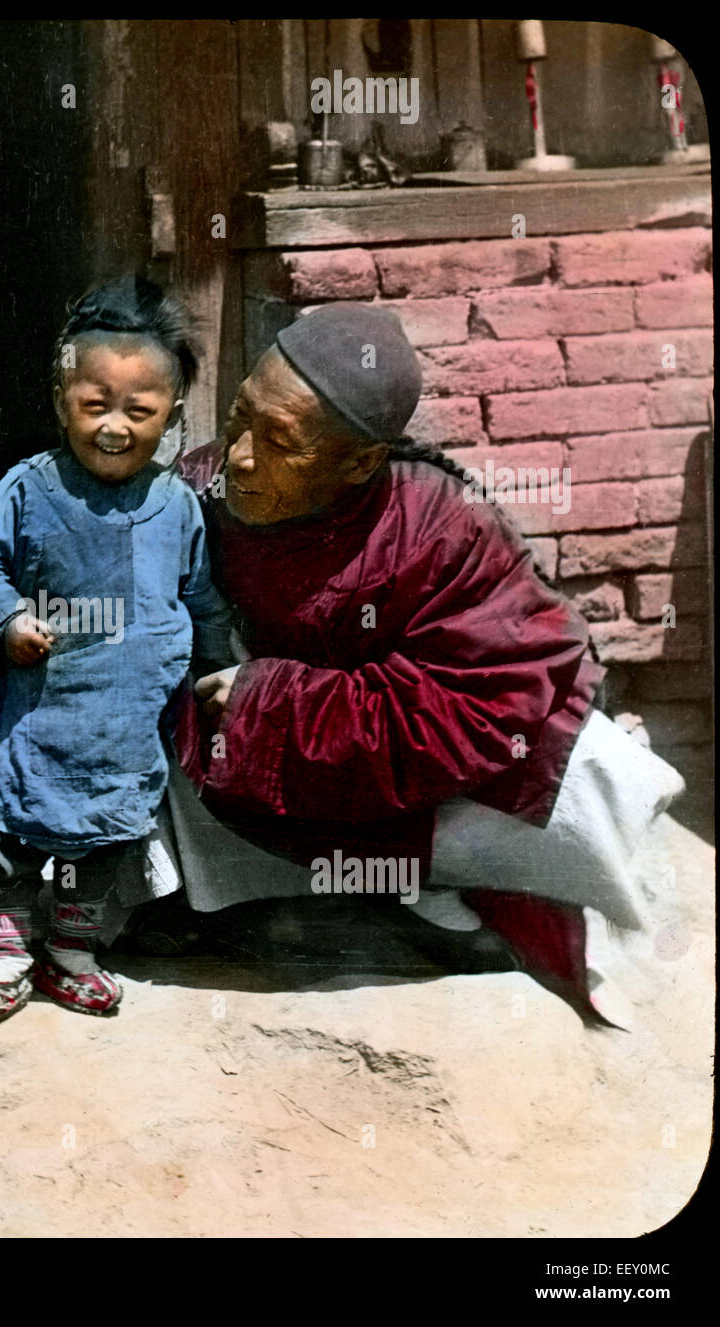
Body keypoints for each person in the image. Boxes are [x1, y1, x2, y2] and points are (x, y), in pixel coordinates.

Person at [133, 302, 683, 1023]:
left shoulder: (446, 528)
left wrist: (272, 700)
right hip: (266, 753)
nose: (239, 456)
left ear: (360, 463)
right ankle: (203, 895)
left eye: (279, 442)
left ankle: (441, 889)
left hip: (430, 768)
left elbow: (477, 705)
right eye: (239, 418)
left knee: (577, 774)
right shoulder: (199, 487)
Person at [0, 276, 232, 1024]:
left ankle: (72, 948)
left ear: (173, 413)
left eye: (142, 410)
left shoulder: (179, 506)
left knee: (105, 837)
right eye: (96, 405)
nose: (116, 427)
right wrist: (7, 622)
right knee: (8, 831)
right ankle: (5, 950)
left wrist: (218, 666)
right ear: (63, 400)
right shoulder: (29, 489)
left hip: (123, 721)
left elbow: (201, 598)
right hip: (32, 706)